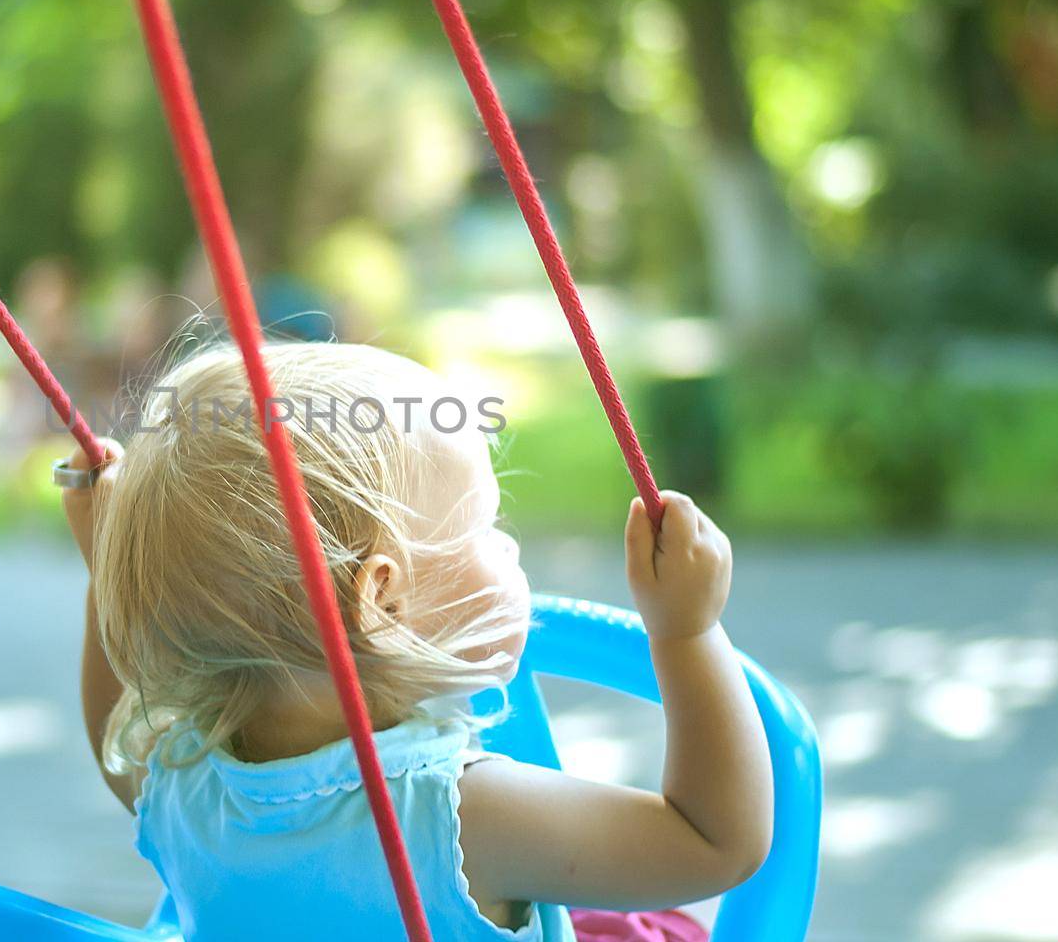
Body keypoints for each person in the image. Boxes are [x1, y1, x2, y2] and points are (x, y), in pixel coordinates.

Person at [60, 341, 771, 941]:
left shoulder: (183, 780)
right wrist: (686, 631)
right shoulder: (457, 818)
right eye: (486, 530)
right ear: (381, 601)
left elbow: (109, 735)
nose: (511, 551)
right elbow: (713, 842)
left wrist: (106, 574)